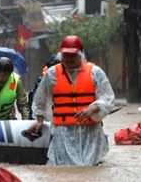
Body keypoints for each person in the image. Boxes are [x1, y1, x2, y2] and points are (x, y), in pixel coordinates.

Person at [28, 35, 115, 166]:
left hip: (90, 134)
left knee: (89, 171)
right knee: (63, 170)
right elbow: (40, 100)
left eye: (72, 55)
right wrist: (39, 121)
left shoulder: (95, 72)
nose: (68, 59)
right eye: (66, 55)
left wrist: (93, 108)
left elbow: (108, 97)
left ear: (80, 54)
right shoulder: (52, 74)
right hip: (62, 133)